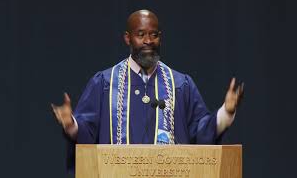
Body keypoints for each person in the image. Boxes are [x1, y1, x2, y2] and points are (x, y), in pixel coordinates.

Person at [51, 9, 244, 171]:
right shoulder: (105, 83)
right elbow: (87, 131)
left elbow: (201, 131)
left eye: (153, 35)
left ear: (160, 37)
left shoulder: (180, 84)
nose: (148, 41)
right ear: (128, 38)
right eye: (141, 34)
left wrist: (226, 112)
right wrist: (70, 124)